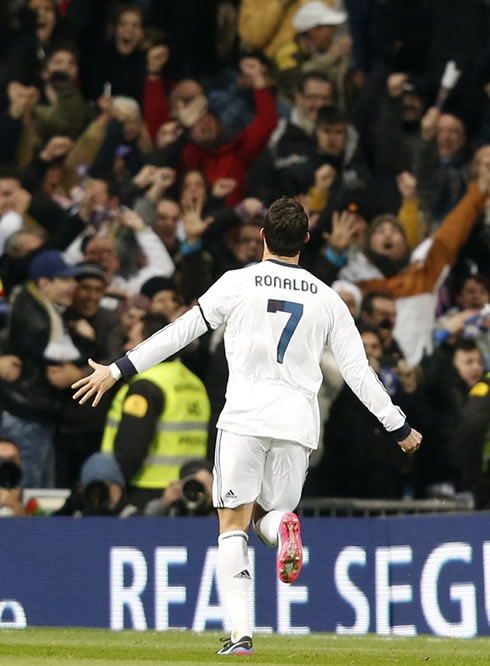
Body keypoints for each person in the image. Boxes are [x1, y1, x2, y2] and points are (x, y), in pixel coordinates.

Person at [72, 197, 421, 655]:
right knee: (268, 518)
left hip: (245, 417)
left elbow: (179, 332)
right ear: (307, 241)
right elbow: (359, 373)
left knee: (233, 525)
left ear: (262, 236)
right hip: (298, 424)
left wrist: (116, 369)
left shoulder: (236, 283)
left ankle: (241, 635)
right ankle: (285, 529)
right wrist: (399, 427)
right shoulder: (328, 298)